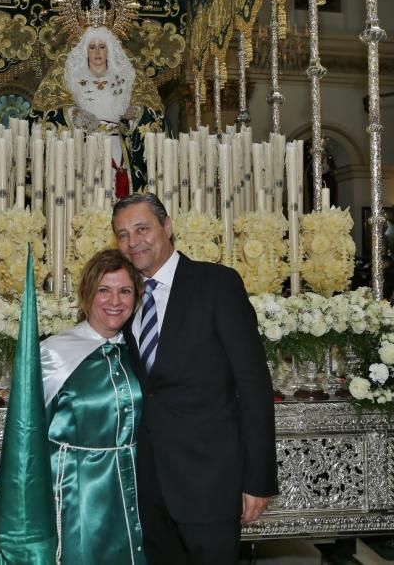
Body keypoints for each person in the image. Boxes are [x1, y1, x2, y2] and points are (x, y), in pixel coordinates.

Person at [111, 192, 276, 564]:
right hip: (146, 486)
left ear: (167, 226)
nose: (133, 241)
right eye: (122, 234)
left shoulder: (217, 284)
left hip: (209, 483)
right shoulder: (123, 297)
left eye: (142, 228)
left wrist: (258, 480)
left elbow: (253, 385)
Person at [0, 249, 146, 563]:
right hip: (74, 494)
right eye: (104, 291)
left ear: (136, 298)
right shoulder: (54, 354)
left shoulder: (139, 351)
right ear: (86, 295)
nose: (115, 301)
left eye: (125, 291)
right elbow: (21, 432)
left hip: (135, 488)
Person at [32, 23, 164, 195]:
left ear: (109, 49)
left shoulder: (126, 76)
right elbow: (51, 106)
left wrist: (136, 112)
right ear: (85, 51)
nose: (97, 52)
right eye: (92, 47)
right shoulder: (71, 77)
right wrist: (73, 113)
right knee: (90, 189)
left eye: (102, 47)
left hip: (118, 142)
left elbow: (148, 102)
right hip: (87, 144)